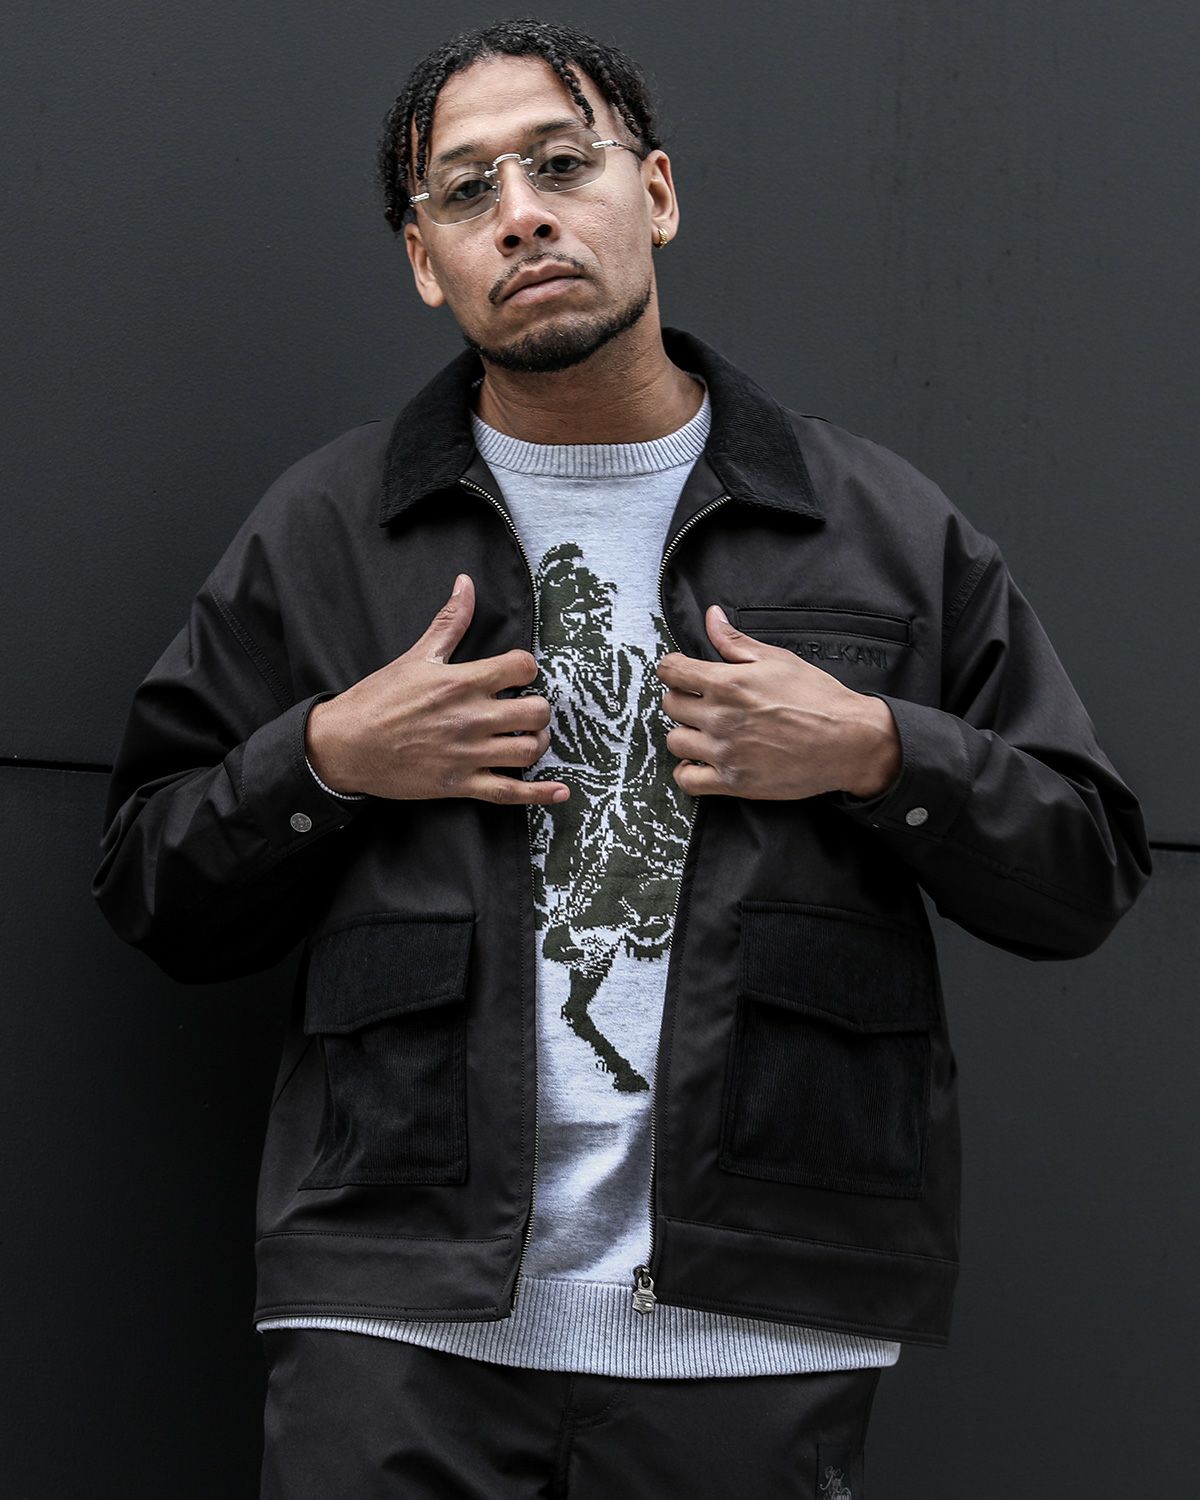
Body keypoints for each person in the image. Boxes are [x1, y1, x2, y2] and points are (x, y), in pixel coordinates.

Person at [92, 18, 1151, 1499]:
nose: (521, 212)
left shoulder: (875, 524)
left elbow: (1084, 870)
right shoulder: (329, 532)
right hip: (397, 1314)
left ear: (653, 192)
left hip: (754, 1317)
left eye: (561, 164)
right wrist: (328, 757)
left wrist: (874, 750)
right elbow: (150, 883)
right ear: (425, 260)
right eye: (467, 190)